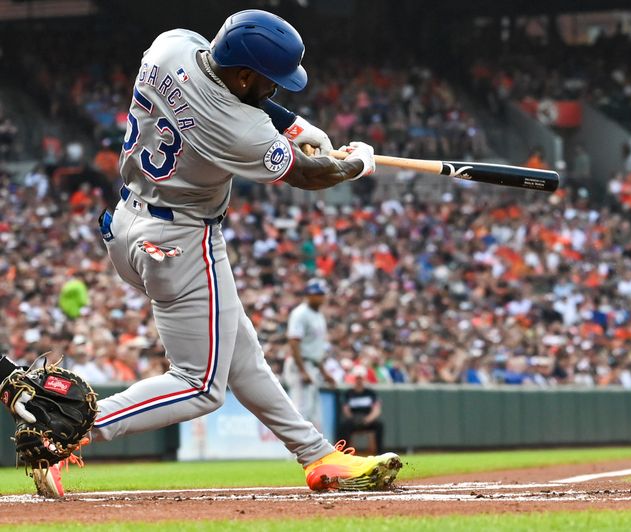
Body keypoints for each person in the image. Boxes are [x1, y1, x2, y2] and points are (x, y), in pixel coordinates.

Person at [6, 9, 400, 498]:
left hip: (130, 222)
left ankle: (318, 456)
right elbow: (308, 175)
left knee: (243, 357)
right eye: (269, 82)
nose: (275, 91)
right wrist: (358, 164)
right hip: (182, 240)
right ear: (241, 74)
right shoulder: (237, 130)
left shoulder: (170, 44)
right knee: (199, 385)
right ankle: (66, 433)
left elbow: (240, 100)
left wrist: (296, 127)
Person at [284, 278, 336, 429]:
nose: (321, 297)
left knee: (313, 413)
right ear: (309, 294)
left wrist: (324, 372)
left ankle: (315, 452)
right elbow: (294, 342)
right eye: (318, 294)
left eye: (322, 294)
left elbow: (315, 349)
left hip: (312, 365)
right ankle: (296, 452)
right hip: (301, 365)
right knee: (300, 411)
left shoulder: (318, 315)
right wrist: (302, 370)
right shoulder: (300, 313)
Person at [338, 366, 385, 453]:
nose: (359, 381)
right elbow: (345, 409)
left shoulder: (371, 393)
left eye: (361, 378)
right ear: (354, 379)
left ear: (364, 379)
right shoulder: (348, 393)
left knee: (380, 425)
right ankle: (344, 453)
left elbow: (377, 409)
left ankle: (380, 453)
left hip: (367, 419)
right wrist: (352, 418)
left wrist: (368, 419)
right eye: (357, 378)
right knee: (343, 426)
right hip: (353, 419)